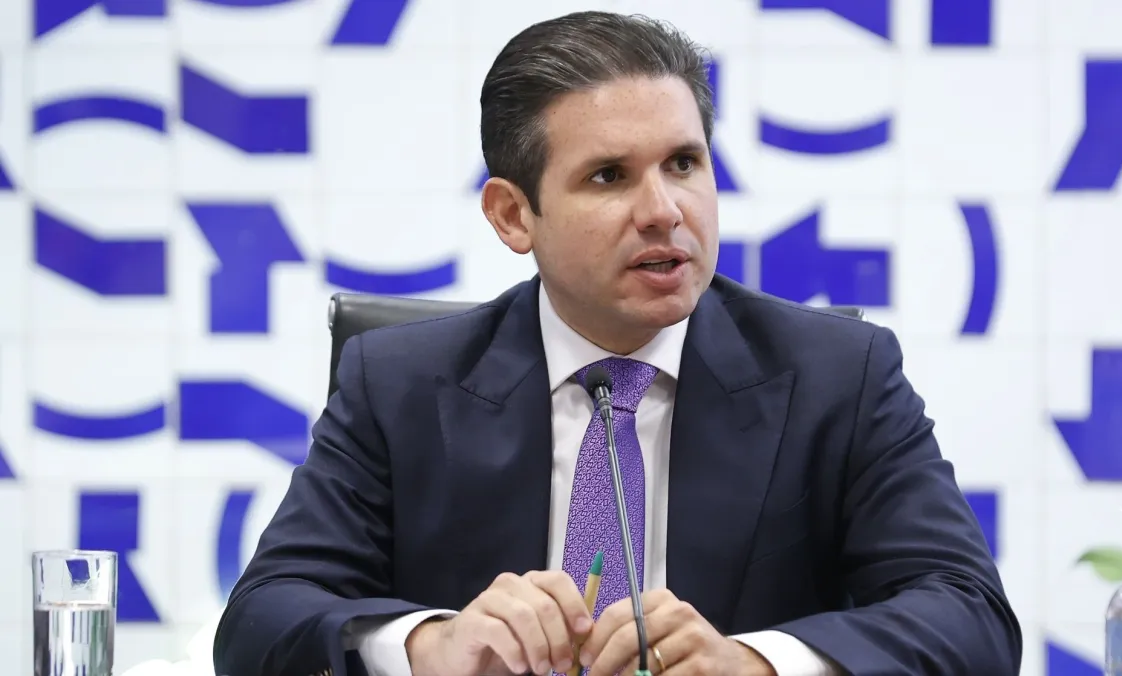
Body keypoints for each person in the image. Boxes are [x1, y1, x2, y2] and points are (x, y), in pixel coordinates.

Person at [212, 10, 1021, 676]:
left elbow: (970, 617)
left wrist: (756, 663)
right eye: (609, 176)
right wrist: (430, 646)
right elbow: (262, 619)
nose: (664, 210)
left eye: (684, 163)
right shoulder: (400, 383)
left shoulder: (837, 376)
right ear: (512, 216)